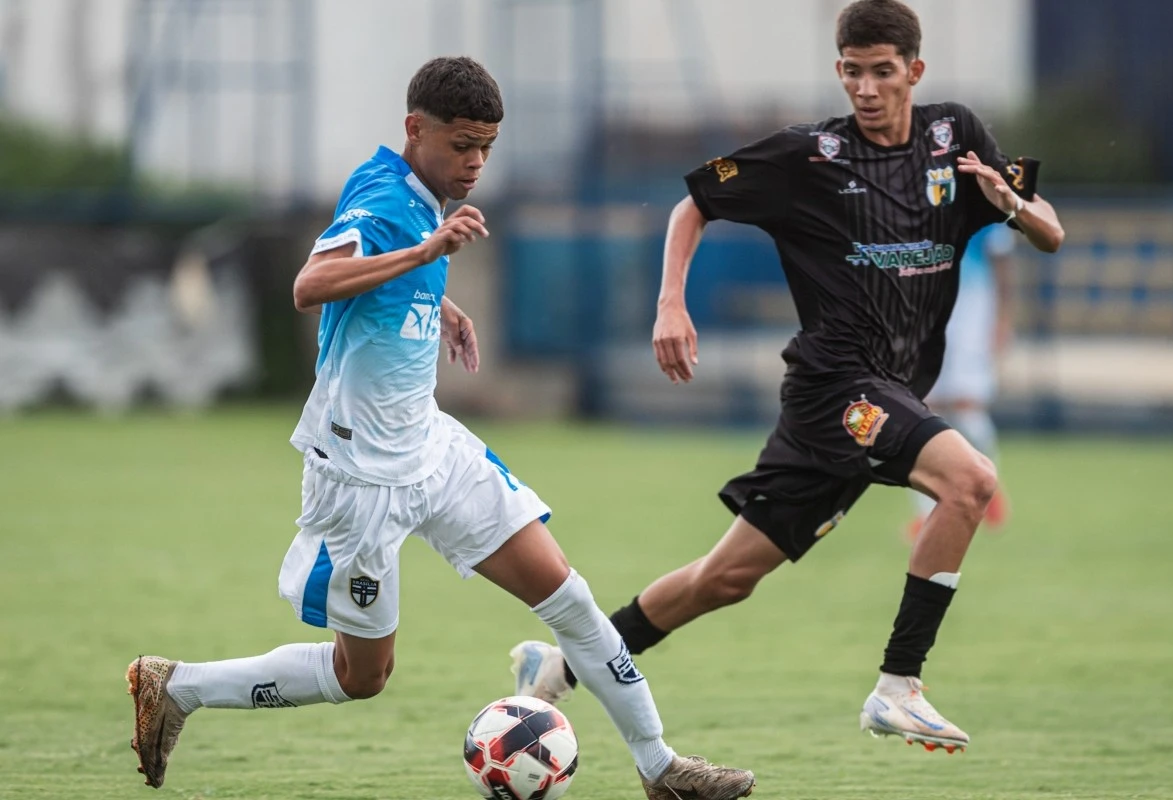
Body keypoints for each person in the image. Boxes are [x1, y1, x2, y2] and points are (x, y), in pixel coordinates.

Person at [124, 56, 755, 800]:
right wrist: (425, 254)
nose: (477, 162)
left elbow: (387, 272)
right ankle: (179, 687)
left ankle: (661, 768)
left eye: (487, 146)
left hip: (430, 447)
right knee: (362, 676)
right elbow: (310, 285)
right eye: (462, 145)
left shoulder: (420, 191)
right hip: (359, 477)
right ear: (414, 130)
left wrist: (438, 300)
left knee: (569, 597)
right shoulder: (384, 200)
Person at [510, 0, 1063, 754]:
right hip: (838, 388)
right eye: (852, 72)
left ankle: (561, 666)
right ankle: (899, 686)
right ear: (839, 70)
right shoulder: (811, 157)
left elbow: (1050, 231)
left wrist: (1014, 208)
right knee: (971, 481)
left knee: (723, 578)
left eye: (882, 72)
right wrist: (670, 303)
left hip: (880, 395)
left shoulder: (955, 136)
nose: (865, 88)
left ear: (915, 71)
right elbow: (693, 204)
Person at [908, 223, 1016, 540]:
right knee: (923, 409)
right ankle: (927, 513)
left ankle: (987, 485)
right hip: (926, 309)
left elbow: (1003, 261)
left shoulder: (984, 205)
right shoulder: (912, 204)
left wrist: (1003, 320)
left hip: (973, 308)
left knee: (967, 406)